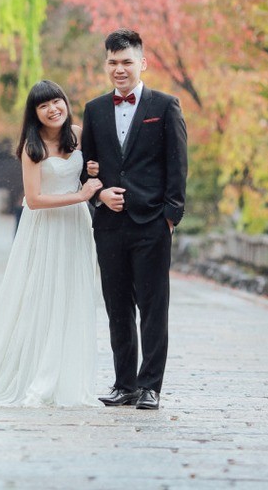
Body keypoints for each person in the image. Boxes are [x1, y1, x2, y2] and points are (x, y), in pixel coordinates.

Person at [0, 80, 103, 407]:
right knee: (42, 297)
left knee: (73, 296)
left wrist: (92, 172)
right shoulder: (32, 146)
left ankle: (68, 377)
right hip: (45, 227)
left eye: (57, 101)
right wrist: (79, 195)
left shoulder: (80, 135)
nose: (53, 109)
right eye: (43, 106)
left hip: (76, 227)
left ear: (65, 103)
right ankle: (37, 375)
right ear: (35, 113)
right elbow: (35, 199)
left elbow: (95, 171)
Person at [80, 28, 187, 411]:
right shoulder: (93, 110)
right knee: (117, 306)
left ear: (143, 63)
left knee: (153, 306)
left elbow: (177, 164)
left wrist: (170, 216)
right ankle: (124, 383)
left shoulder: (165, 106)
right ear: (106, 64)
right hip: (109, 226)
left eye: (127, 62)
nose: (119, 69)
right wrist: (98, 194)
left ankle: (150, 386)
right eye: (113, 62)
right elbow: (86, 167)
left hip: (152, 223)